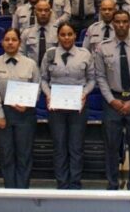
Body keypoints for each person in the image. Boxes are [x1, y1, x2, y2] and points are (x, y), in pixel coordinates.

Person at [95, 9, 130, 190]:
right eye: (117, 22)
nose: (121, 25)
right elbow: (100, 77)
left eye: (125, 21)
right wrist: (111, 100)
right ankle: (112, 183)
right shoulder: (103, 47)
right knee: (111, 145)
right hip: (112, 101)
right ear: (113, 24)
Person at [40, 22, 95, 190]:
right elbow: (43, 79)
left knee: (76, 146)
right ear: (58, 36)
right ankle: (62, 183)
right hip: (56, 107)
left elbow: (92, 79)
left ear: (75, 36)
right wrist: (48, 95)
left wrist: (85, 93)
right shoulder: (50, 54)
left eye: (70, 34)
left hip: (78, 106)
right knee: (59, 146)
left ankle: (75, 183)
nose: (66, 38)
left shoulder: (84, 54)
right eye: (63, 34)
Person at [0, 27, 41, 189]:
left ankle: (23, 191)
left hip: (25, 114)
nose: (10, 43)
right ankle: (9, 190)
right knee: (6, 155)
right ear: (2, 42)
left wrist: (29, 104)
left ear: (19, 43)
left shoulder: (30, 64)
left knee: (24, 155)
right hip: (4, 114)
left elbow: (36, 86)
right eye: (7, 39)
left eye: (14, 39)